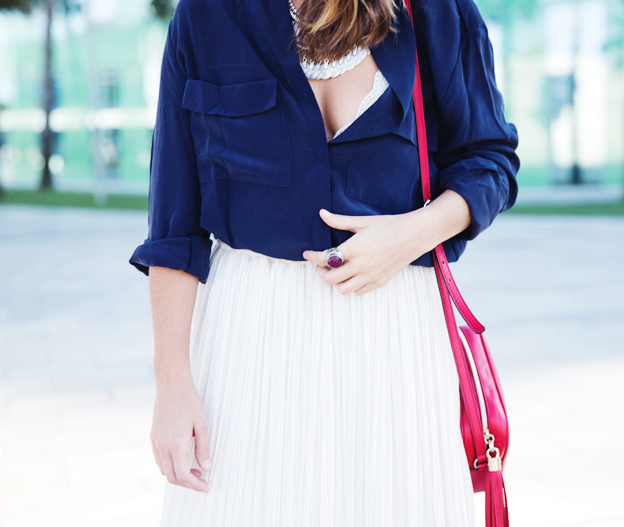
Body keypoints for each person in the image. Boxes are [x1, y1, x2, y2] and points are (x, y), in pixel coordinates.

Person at [128, 0, 519, 524]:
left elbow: (489, 161)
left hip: (395, 341)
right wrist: (172, 387)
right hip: (250, 342)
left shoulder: (435, 10)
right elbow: (175, 226)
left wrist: (410, 235)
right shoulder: (207, 15)